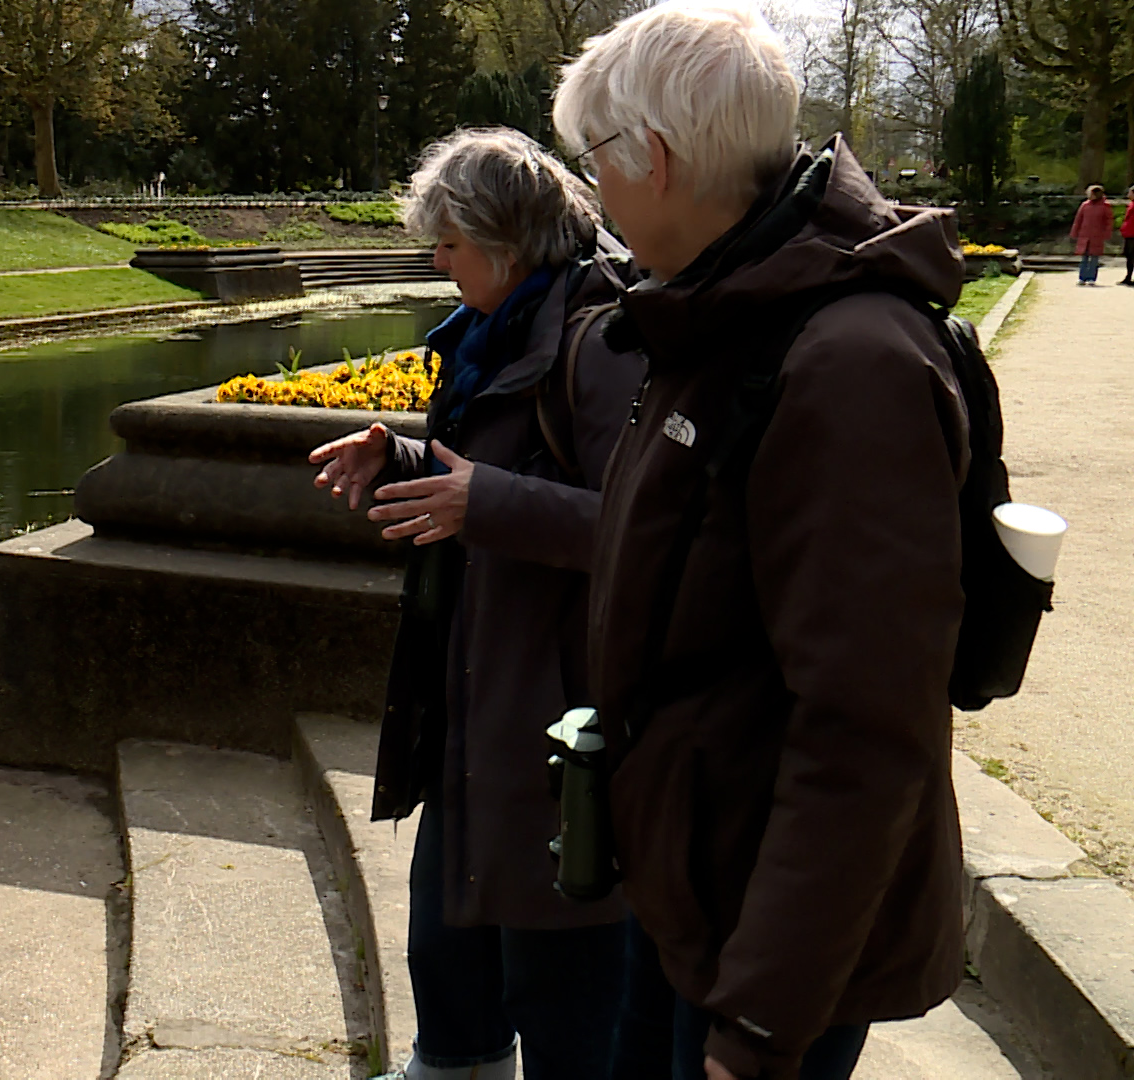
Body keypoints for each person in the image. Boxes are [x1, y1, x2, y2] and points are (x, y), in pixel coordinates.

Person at [553, 3, 969, 1078]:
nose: (594, 190)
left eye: (596, 158)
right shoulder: (727, 305)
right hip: (697, 881)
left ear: (653, 158)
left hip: (768, 939)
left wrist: (766, 1020)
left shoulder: (845, 362)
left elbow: (868, 725)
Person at [309, 128, 646, 1080]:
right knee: (448, 945)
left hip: (557, 724)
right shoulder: (498, 332)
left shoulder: (603, 336)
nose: (436, 260)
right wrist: (407, 460)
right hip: (481, 703)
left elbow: (649, 527)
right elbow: (500, 473)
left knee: (566, 973)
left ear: (505, 240)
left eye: (450, 242)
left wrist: (483, 502)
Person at [1072, 184, 1113, 285]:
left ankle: (1091, 278)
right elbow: (1078, 219)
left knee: (1094, 258)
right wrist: (1075, 231)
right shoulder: (1085, 205)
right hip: (1085, 234)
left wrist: (1107, 233)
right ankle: (1082, 277)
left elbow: (1109, 221)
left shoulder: (1105, 206)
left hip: (1097, 235)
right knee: (1084, 257)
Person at [1119, 185, 1134, 285]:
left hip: (1132, 234)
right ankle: (1128, 276)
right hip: (1129, 233)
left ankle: (1129, 277)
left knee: (1131, 256)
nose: (1128, 194)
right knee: (1129, 256)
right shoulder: (1131, 204)